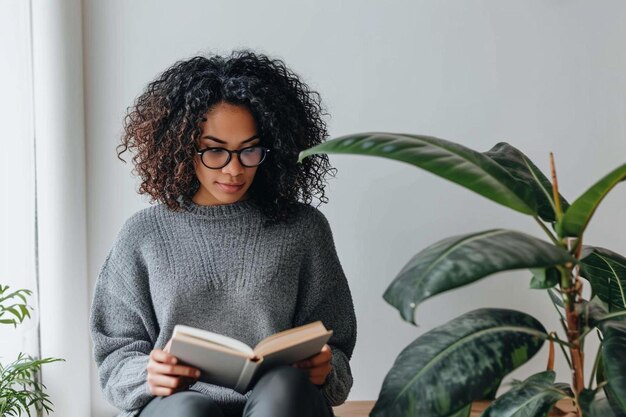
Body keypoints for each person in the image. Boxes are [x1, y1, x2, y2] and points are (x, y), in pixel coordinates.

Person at [89, 50, 357, 417]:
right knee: (187, 411)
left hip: (281, 406)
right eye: (215, 151)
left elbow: (335, 344)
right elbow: (116, 353)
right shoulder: (145, 234)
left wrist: (325, 369)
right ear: (182, 147)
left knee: (285, 388)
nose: (234, 170)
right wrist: (149, 375)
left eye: (250, 151)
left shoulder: (303, 229)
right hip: (177, 407)